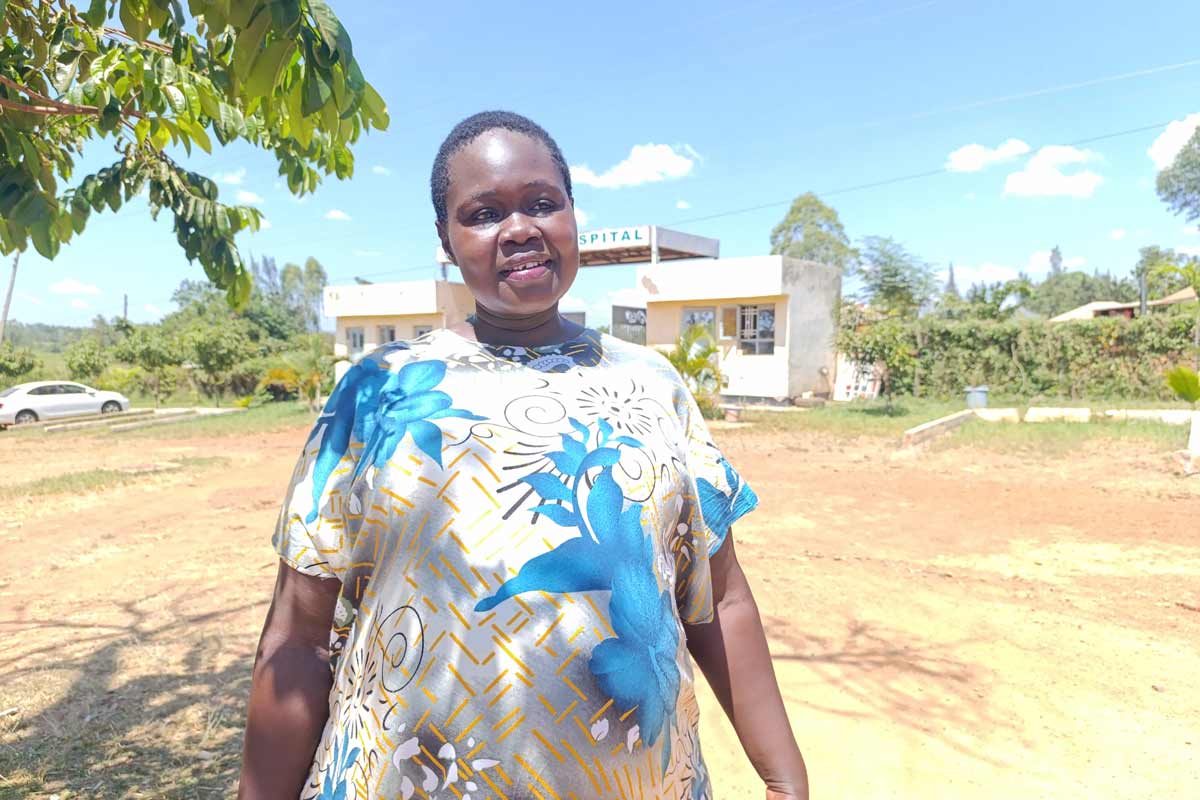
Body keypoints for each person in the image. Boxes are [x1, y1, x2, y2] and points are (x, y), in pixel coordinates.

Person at [238, 111, 808, 800]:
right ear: (446, 242)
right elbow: (296, 640)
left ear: (574, 215)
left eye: (543, 202)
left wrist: (784, 779)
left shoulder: (652, 385)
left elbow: (720, 598)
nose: (519, 229)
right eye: (482, 213)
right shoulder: (378, 391)